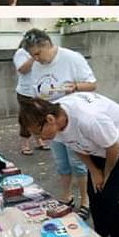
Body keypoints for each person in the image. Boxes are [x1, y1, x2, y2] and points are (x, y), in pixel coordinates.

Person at [19, 92, 119, 237]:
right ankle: (101, 234)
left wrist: (106, 174)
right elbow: (75, 144)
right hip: (99, 143)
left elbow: (113, 147)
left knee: (110, 194)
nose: (39, 139)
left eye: (38, 133)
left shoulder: (88, 119)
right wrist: (94, 171)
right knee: (93, 191)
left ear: (50, 120)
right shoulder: (55, 123)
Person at [21, 28, 96, 220]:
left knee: (78, 163)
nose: (35, 59)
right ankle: (67, 196)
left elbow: (92, 85)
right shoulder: (37, 66)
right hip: (50, 123)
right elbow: (35, 93)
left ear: (47, 44)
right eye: (32, 56)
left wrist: (75, 87)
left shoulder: (72, 58)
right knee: (61, 163)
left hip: (71, 121)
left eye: (37, 53)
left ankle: (85, 201)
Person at [13, 43, 49, 155]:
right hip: (26, 92)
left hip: (40, 91)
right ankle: (25, 144)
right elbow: (22, 69)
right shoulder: (21, 53)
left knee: (40, 117)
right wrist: (34, 57)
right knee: (26, 119)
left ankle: (39, 140)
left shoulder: (43, 51)